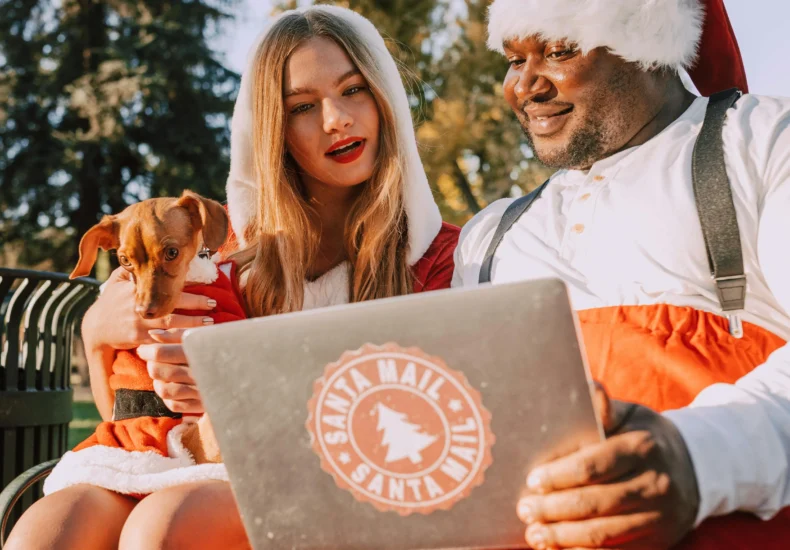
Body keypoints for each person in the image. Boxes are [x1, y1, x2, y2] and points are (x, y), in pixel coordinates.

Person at [6, 6, 458, 550]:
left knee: (163, 528)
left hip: (340, 472)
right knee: (49, 529)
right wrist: (97, 333)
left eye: (354, 89)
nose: (336, 118)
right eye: (303, 107)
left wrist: (250, 392)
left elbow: (428, 418)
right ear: (274, 128)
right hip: (186, 455)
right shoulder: (216, 244)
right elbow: (132, 414)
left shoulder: (437, 256)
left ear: (386, 96)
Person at [452, 0, 790, 548]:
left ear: (648, 47)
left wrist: (697, 456)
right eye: (515, 60)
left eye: (559, 51)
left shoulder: (762, 141)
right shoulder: (489, 236)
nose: (525, 87)